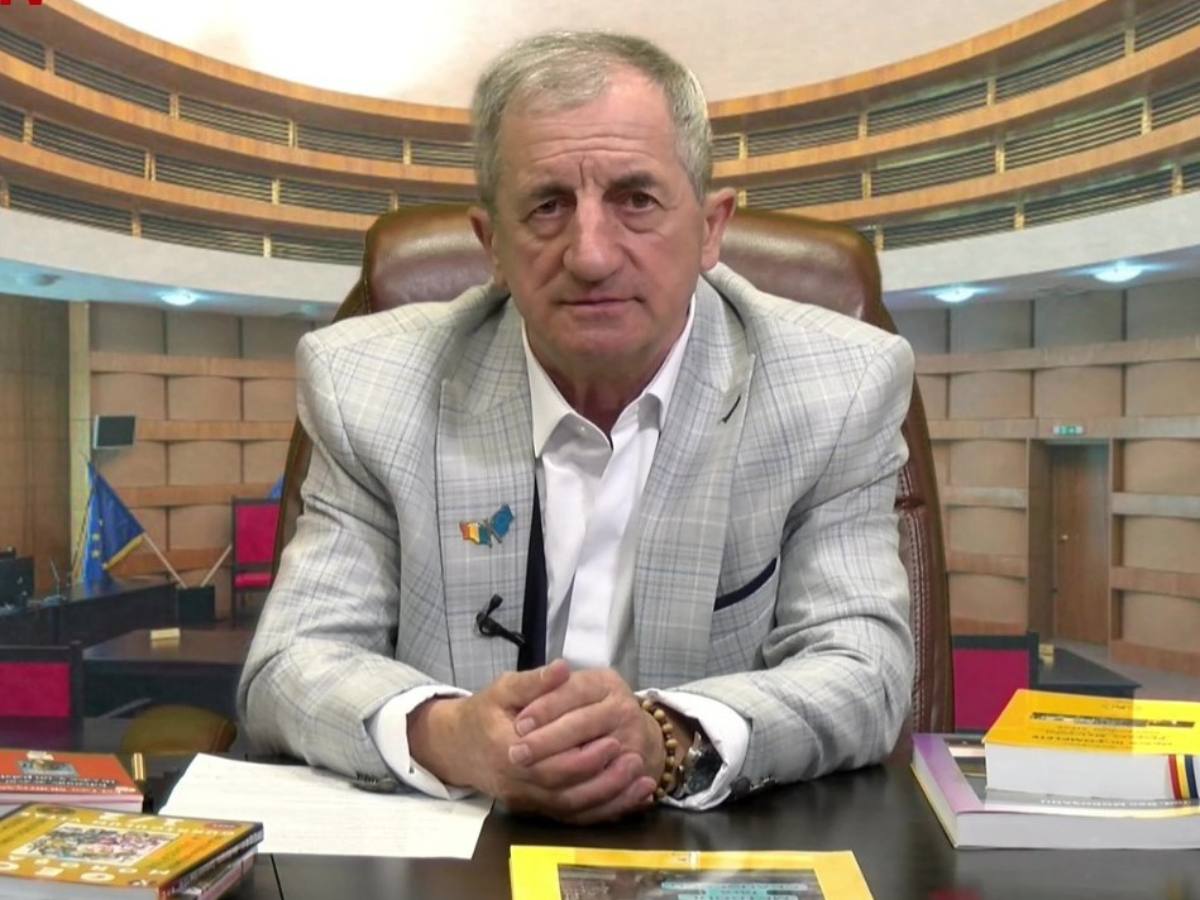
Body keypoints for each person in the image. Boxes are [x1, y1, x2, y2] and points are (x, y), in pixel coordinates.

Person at [238, 31, 915, 824]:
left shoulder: (836, 388)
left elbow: (863, 669)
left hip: (707, 846)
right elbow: (290, 663)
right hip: (457, 846)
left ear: (711, 227)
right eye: (548, 206)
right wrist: (449, 735)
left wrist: (666, 739)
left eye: (636, 200)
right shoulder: (369, 386)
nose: (590, 255)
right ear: (493, 245)